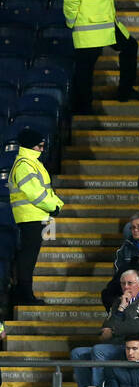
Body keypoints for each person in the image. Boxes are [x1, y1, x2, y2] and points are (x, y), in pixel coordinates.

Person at [66, 0, 139, 112]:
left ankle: (124, 92)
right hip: (90, 29)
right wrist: (72, 23)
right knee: (85, 69)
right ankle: (84, 108)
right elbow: (71, 0)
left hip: (106, 26)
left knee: (130, 46)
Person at [8, 128, 62, 306]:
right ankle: (24, 294)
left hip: (37, 215)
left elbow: (45, 190)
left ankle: (24, 293)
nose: (42, 149)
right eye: (39, 146)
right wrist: (52, 206)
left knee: (30, 256)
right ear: (31, 146)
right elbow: (35, 193)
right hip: (30, 216)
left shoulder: (32, 163)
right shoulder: (25, 164)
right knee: (28, 257)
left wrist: (57, 205)